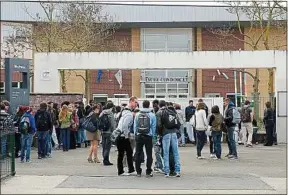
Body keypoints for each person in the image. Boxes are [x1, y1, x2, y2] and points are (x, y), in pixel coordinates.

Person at [157, 100, 181, 178]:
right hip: (174, 133)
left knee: (166, 153)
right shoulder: (172, 111)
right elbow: (178, 123)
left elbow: (159, 125)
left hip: (165, 133)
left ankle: (166, 171)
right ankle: (177, 171)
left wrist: (160, 134)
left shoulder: (160, 112)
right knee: (176, 152)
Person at [134, 100, 156, 177]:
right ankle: (148, 171)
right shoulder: (152, 115)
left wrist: (135, 134)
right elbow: (153, 127)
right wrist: (153, 136)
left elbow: (135, 126)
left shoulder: (137, 114)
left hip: (139, 135)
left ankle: (138, 172)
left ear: (142, 105)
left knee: (138, 153)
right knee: (149, 154)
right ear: (149, 105)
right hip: (148, 136)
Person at [116, 96, 137, 176]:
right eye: (135, 102)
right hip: (123, 136)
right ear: (131, 102)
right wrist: (126, 136)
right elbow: (125, 126)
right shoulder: (129, 115)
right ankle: (122, 171)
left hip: (120, 135)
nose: (136, 104)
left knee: (127, 152)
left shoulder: (123, 112)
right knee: (125, 153)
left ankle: (129, 169)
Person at [99, 101, 116, 166]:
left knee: (104, 146)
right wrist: (113, 131)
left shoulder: (102, 112)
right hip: (109, 132)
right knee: (108, 147)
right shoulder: (110, 113)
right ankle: (106, 160)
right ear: (111, 107)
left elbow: (99, 121)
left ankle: (104, 158)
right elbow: (112, 124)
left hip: (103, 131)